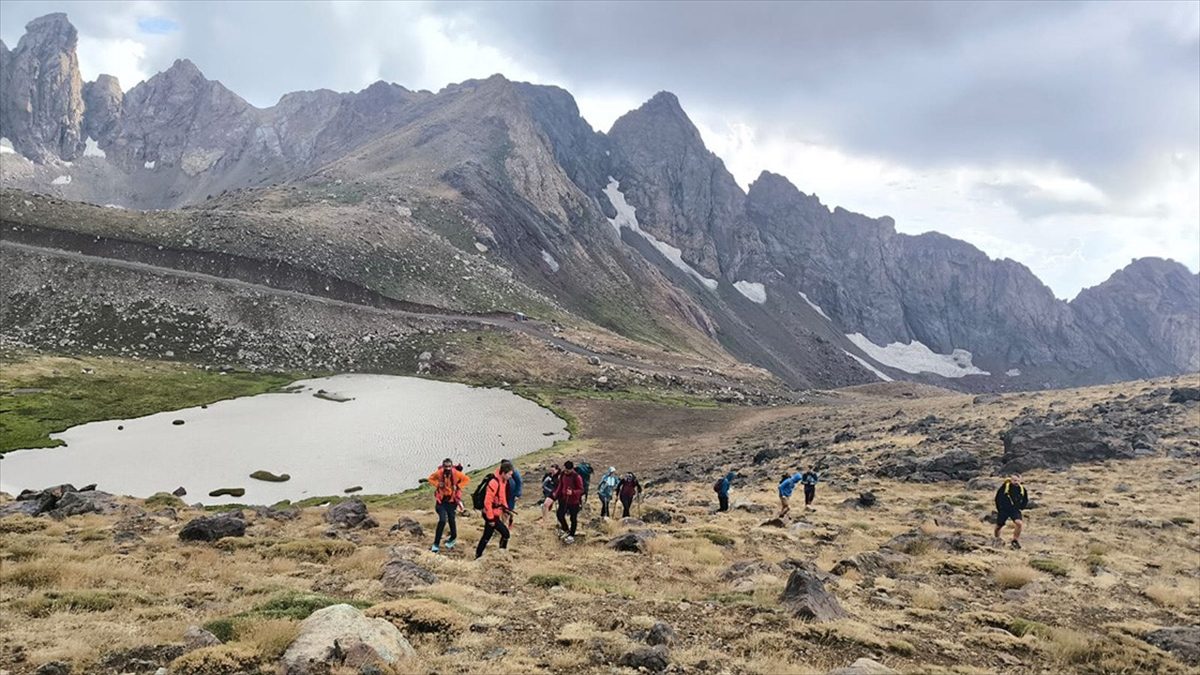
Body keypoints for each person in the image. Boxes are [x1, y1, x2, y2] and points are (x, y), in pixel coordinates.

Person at [428, 458, 469, 553]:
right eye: (445, 466)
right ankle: (436, 544)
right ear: (443, 466)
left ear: (451, 466)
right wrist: (438, 484)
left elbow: (466, 479)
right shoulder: (439, 473)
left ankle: (453, 538)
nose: (447, 468)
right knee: (442, 520)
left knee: (451, 519)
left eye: (449, 466)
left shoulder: (457, 474)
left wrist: (458, 486)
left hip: (452, 501)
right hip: (441, 501)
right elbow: (430, 479)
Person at [475, 460, 514, 559]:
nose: (510, 477)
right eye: (509, 474)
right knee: (506, 534)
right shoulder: (494, 483)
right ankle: (502, 555)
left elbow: (502, 497)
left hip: (494, 513)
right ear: (504, 473)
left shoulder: (503, 481)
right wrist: (491, 519)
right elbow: (487, 502)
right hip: (490, 513)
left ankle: (478, 555)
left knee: (487, 536)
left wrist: (506, 509)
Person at [552, 460, 585, 542]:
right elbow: (561, 485)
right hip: (563, 499)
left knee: (573, 518)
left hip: (574, 502)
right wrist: (556, 493)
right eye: (565, 470)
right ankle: (566, 529)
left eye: (568, 470)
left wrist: (573, 492)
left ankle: (572, 535)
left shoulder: (577, 477)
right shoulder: (563, 474)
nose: (566, 472)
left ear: (572, 469)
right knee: (559, 514)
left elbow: (581, 490)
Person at [993, 475, 1029, 549]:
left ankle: (1015, 540)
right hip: (1004, 509)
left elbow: (1025, 499)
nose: (1016, 482)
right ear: (1011, 480)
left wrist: (1021, 507)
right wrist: (999, 508)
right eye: (1014, 480)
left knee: (1019, 523)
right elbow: (997, 498)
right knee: (998, 526)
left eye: (1018, 481)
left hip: (1015, 509)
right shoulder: (1004, 487)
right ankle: (997, 538)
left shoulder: (1022, 489)